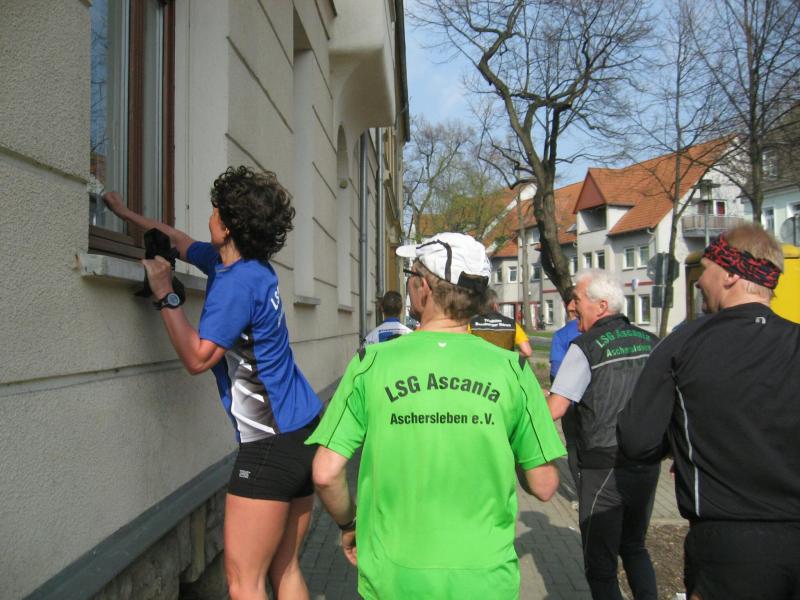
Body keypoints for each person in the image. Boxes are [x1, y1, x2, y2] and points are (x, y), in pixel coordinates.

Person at [103, 166, 322, 600]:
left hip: (269, 444)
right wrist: (125, 214)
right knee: (286, 568)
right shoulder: (250, 268)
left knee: (244, 583)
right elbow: (179, 240)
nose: (210, 216)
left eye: (215, 209)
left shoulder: (235, 285)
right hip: (304, 429)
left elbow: (198, 358)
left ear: (227, 226)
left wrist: (165, 293)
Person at [307, 232, 566, 600]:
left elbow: (325, 472)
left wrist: (350, 525)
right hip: (484, 579)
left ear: (424, 287)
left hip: (393, 576)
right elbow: (544, 484)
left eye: (411, 275)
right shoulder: (513, 370)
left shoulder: (372, 362)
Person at [618, 224, 800, 600]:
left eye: (706, 269)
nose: (699, 282)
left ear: (731, 274)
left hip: (730, 545)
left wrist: (680, 445)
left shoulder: (684, 343)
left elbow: (637, 441)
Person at [547, 270, 660, 600]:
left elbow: (555, 408)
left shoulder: (584, 347)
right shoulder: (652, 342)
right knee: (635, 547)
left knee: (600, 566)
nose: (572, 306)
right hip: (646, 464)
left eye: (577, 300)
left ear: (601, 306)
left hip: (602, 467)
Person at [549, 286, 581, 494]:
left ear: (568, 306)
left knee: (574, 446)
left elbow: (556, 373)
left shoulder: (562, 335)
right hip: (604, 402)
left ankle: (581, 492)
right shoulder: (604, 332)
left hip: (570, 401)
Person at [468, 288, 533, 357]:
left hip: (480, 362)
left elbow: (462, 347)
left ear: (479, 305)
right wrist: (509, 354)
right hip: (504, 363)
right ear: (495, 305)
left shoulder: (471, 324)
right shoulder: (512, 325)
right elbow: (527, 352)